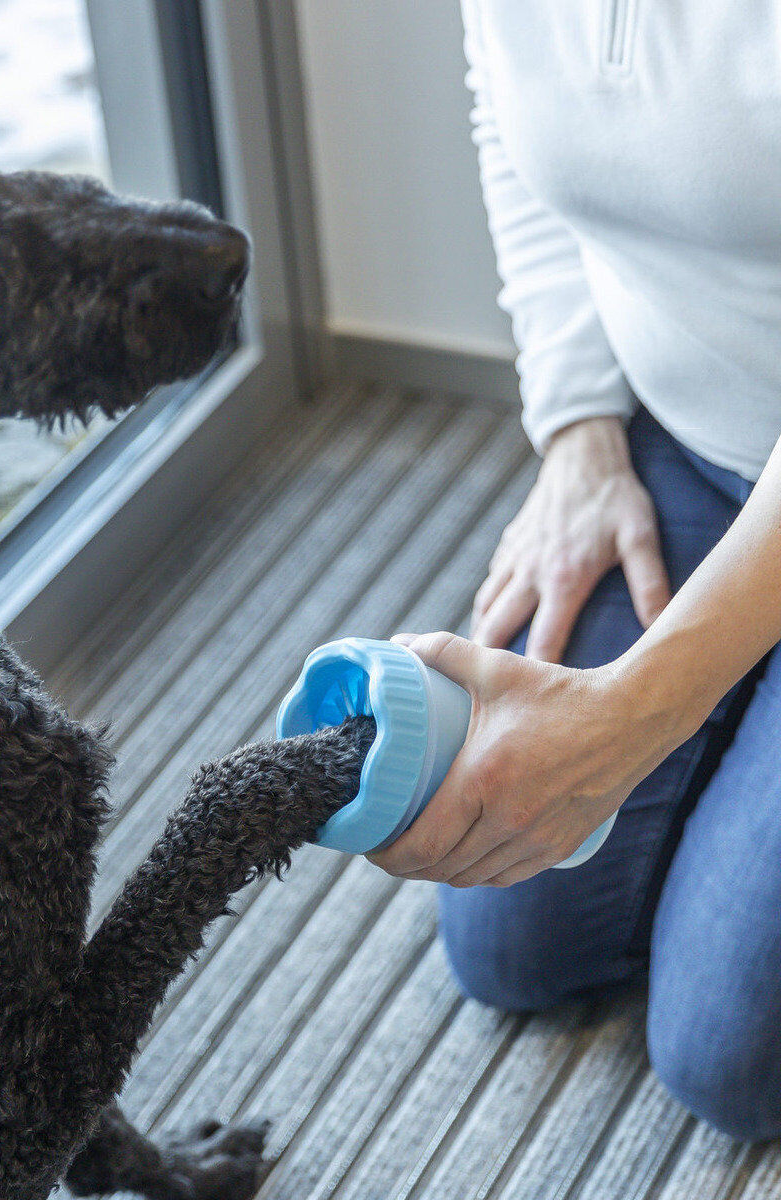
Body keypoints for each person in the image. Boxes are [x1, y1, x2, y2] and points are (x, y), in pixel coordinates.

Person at [366, 3, 781, 1141]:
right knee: (509, 937)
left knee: (728, 1055)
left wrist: (636, 716)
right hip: (699, 444)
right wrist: (581, 430)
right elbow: (517, 128)